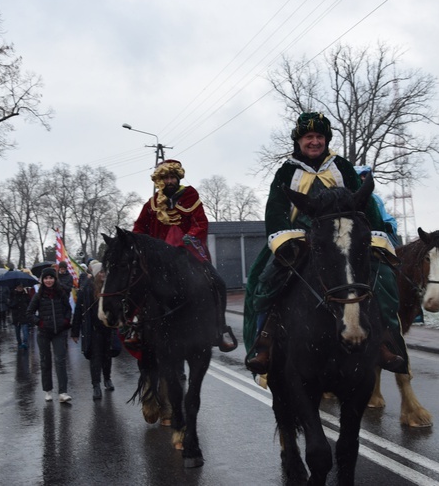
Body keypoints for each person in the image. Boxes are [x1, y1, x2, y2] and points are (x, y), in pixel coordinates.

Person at [243, 112, 409, 375]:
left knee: (384, 278)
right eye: (309, 137)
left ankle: (385, 342)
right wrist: (286, 238)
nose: (314, 142)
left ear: (326, 139)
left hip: (345, 238)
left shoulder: (341, 166)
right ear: (299, 141)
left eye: (319, 136)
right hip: (298, 239)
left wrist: (375, 236)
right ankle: (264, 344)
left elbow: (364, 203)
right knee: (262, 280)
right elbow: (275, 210)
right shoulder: (286, 172)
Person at [130, 159, 237, 352]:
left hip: (186, 254)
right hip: (159, 258)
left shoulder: (190, 196)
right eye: (166, 178)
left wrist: (188, 238)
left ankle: (218, 330)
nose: (170, 181)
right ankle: (136, 328)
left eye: (173, 177)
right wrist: (140, 243)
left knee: (217, 283)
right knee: (136, 283)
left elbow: (201, 223)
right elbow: (139, 227)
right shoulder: (151, 204)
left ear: (178, 178)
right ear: (160, 180)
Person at [71, 260, 118, 400]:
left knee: (107, 356)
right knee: (95, 358)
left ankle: (107, 378)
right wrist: (75, 331)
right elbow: (79, 310)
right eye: (101, 272)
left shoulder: (110, 287)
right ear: (96, 273)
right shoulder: (86, 289)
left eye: (105, 271)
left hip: (108, 328)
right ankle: (96, 385)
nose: (103, 274)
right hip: (93, 329)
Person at [27, 267, 73, 403]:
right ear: (42, 280)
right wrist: (39, 323)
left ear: (55, 279)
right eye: (46, 278)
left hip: (59, 332)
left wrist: (65, 321)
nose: (48, 280)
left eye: (51, 278)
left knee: (60, 361)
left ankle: (63, 392)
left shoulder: (61, 293)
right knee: (45, 361)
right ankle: (48, 390)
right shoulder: (39, 295)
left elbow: (68, 309)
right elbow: (29, 313)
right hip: (44, 333)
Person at [9, 283, 31, 349]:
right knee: (17, 331)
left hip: (24, 315)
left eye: (21, 287)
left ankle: (25, 343)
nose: (20, 288)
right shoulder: (13, 295)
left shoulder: (26, 295)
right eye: (18, 287)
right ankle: (19, 343)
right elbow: (11, 305)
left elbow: (29, 304)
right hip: (16, 316)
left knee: (25, 330)